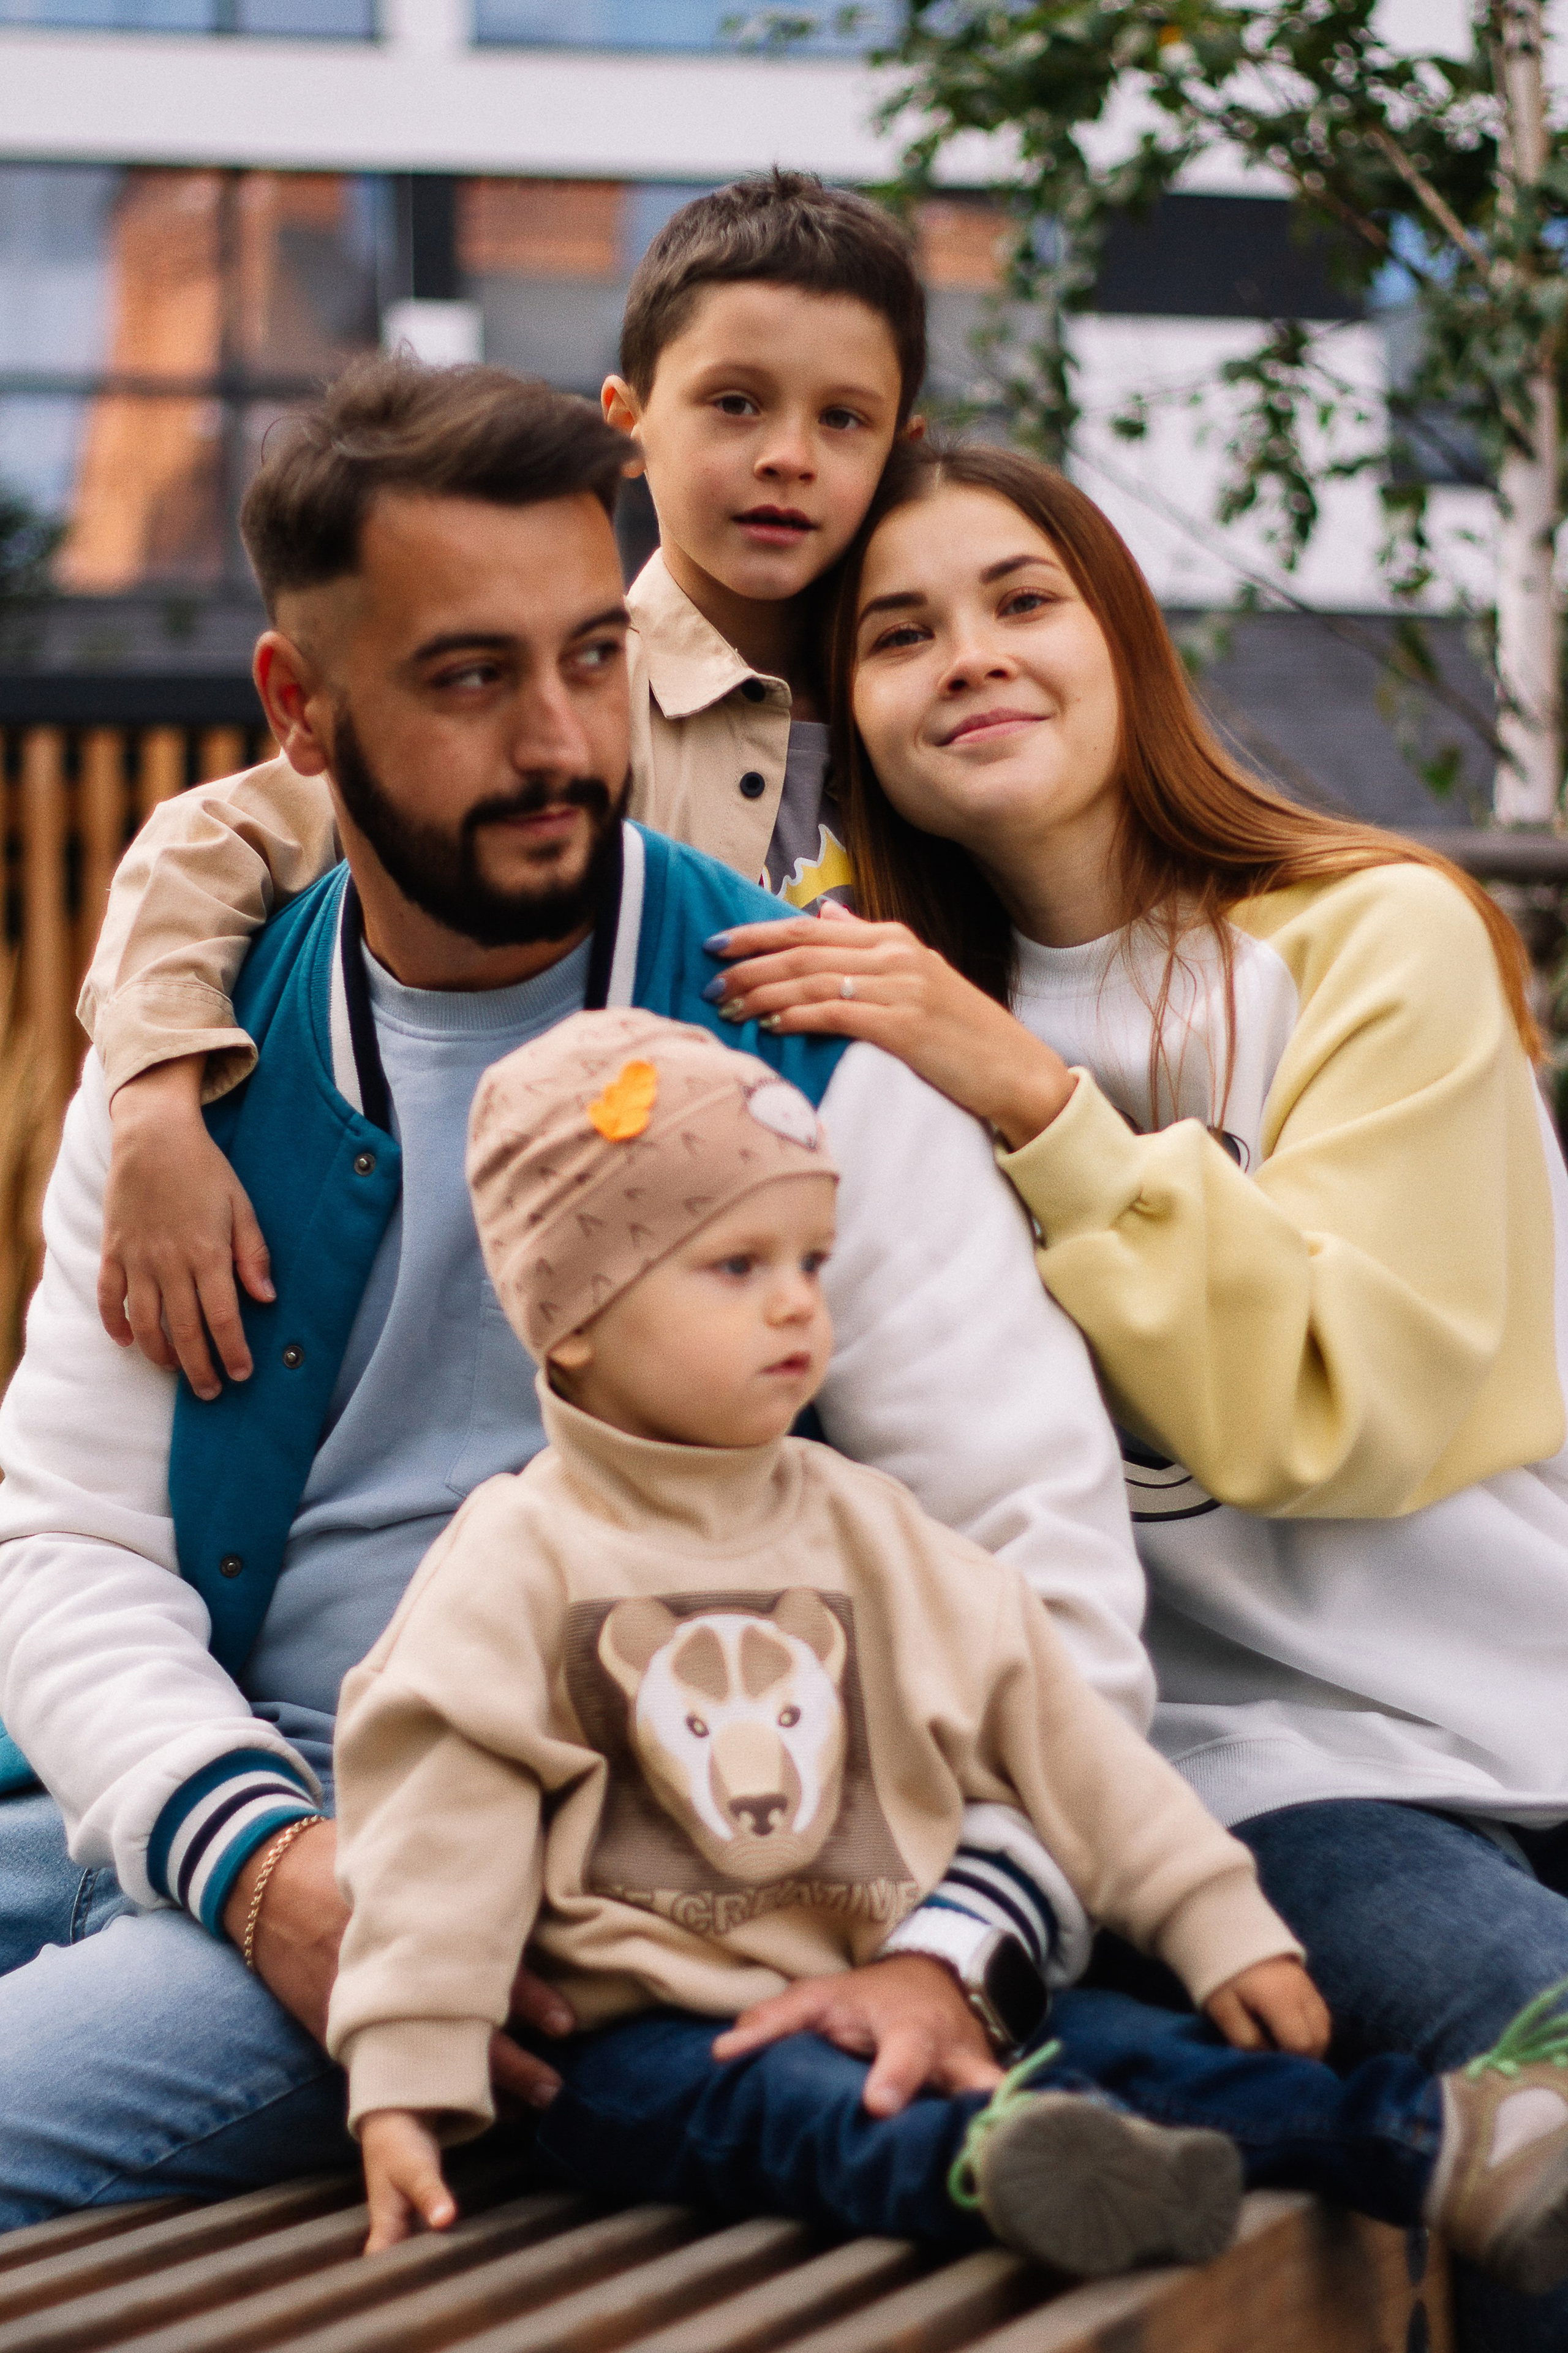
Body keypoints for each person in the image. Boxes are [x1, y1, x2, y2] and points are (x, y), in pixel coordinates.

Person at [0, 368, 1147, 2224]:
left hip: (535, 1867)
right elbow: (70, 1543)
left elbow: (1041, 1560)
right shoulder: (190, 1076)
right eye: (470, 678)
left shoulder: (811, 1037)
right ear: (302, 710)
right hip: (194, 1805)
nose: (561, 742)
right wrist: (260, 1860)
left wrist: (957, 1949)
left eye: (593, 658)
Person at [698, 436, 1568, 2353]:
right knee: (1544, 2082)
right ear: (845, 716)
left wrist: (1028, 1095)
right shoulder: (863, 1024)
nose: (973, 657)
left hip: (1522, 1715)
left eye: (1024, 599)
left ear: (1126, 639)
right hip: (1256, 1774)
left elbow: (1338, 1419)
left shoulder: (1370, 936)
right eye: (900, 633)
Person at [331, 1005, 1568, 2305]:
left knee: (1145, 2047)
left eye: (811, 1258)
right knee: (760, 2103)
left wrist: (1213, 1918)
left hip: (907, 1979)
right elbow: (436, 1824)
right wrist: (404, 2076)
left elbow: (1060, 1733)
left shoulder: (864, 1527)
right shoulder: (520, 1557)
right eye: (734, 1267)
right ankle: (1002, 2163)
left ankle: (1440, 2138)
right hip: (644, 2029)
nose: (796, 1302)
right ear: (570, 1318)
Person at [79, 169, 912, 1418]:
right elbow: (214, 836)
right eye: (734, 403)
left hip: (866, 1294)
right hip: (608, 1315)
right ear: (627, 425)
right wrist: (149, 1106)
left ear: (898, 445)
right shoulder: (565, 705)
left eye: (842, 419)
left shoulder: (920, 711)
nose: (787, 457)